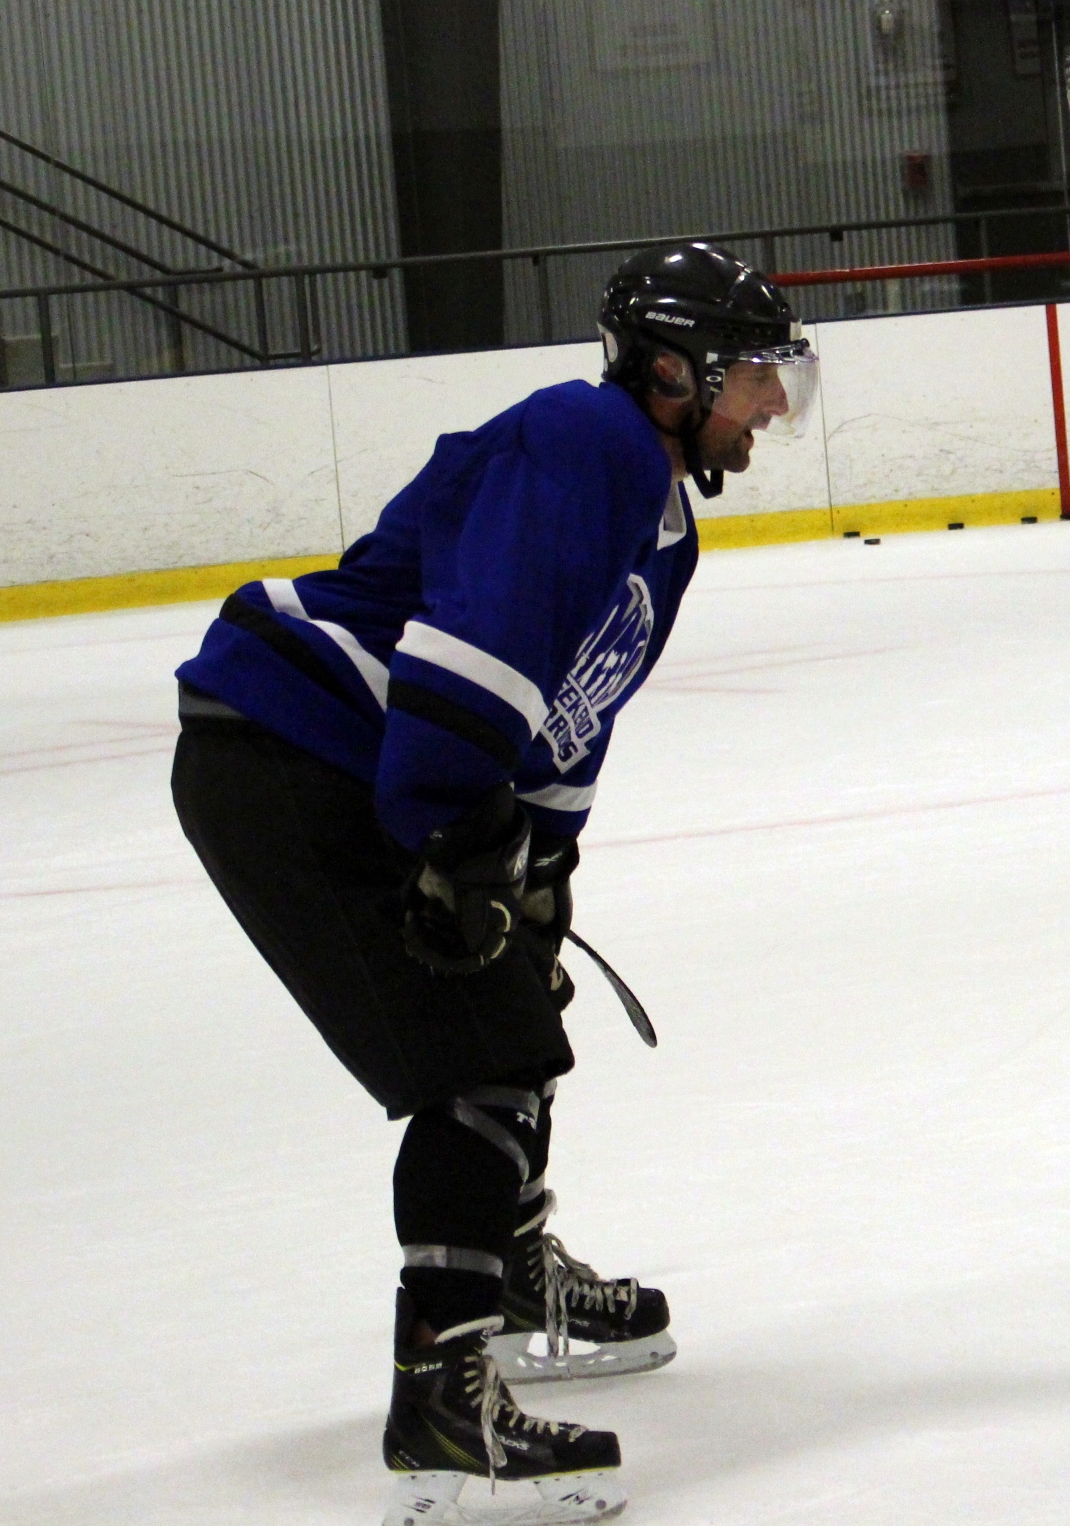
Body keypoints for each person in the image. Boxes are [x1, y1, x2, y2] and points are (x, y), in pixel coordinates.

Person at [171, 242, 816, 1523]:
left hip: (369, 766)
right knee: (483, 1054)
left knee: (520, 1009)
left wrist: (542, 860)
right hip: (293, 755)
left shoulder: (663, 513)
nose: (772, 405)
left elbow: (573, 708)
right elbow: (484, 634)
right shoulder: (590, 439)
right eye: (752, 376)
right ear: (674, 372)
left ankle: (512, 1275)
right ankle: (441, 1392)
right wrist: (462, 828)